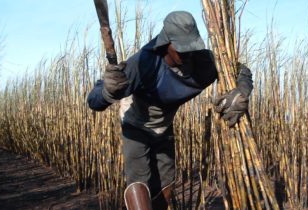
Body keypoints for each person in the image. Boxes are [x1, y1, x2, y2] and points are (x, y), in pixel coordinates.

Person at [87, 11, 253, 210]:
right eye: (181, 48)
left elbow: (240, 70)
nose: (188, 53)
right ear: (166, 44)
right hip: (135, 122)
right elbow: (94, 101)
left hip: (164, 125)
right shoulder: (144, 63)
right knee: (139, 178)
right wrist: (108, 91)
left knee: (166, 184)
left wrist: (241, 92)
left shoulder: (203, 62)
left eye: (192, 47)